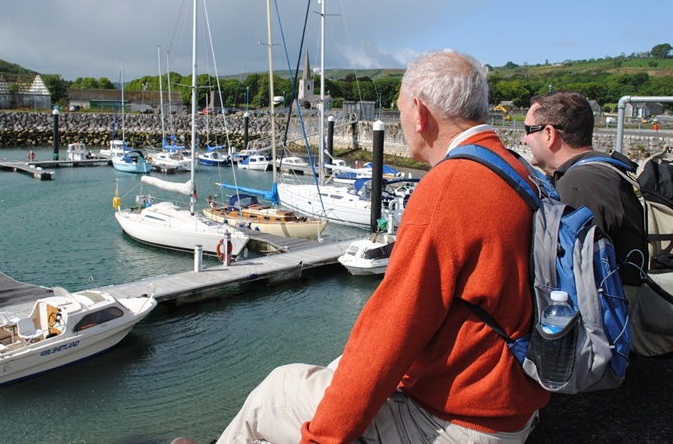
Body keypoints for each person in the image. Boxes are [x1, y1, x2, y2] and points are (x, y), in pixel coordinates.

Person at [206, 50, 550, 444]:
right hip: (512, 402)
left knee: (274, 393)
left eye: (400, 109)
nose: (402, 121)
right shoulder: (518, 170)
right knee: (338, 368)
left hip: (461, 422)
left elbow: (388, 334)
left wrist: (321, 439)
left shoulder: (446, 190)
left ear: (419, 113)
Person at [522, 91, 647, 284]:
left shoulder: (579, 183)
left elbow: (571, 273)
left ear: (549, 134)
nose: (524, 139)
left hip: (615, 309)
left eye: (528, 130)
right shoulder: (599, 170)